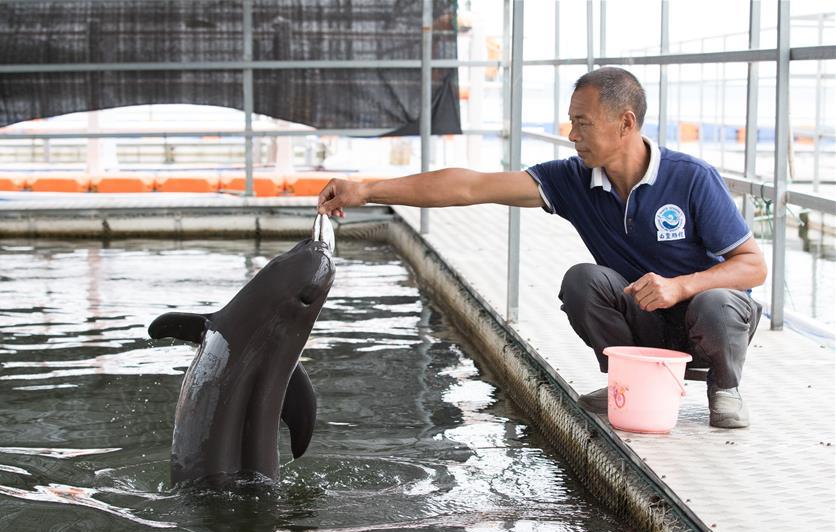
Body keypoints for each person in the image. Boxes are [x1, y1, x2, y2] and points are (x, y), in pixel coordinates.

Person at [316, 67, 767, 429]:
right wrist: (368, 189)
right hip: (645, 316)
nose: (573, 135)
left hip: (706, 323)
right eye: (572, 122)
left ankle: (725, 391)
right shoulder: (573, 179)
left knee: (715, 300)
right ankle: (627, 383)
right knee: (583, 281)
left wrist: (680, 286)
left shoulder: (690, 177)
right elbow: (470, 186)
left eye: (583, 123)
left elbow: (752, 266)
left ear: (625, 122)